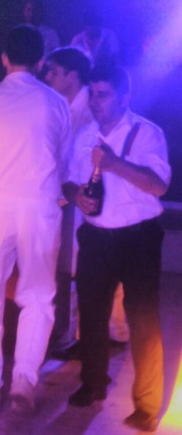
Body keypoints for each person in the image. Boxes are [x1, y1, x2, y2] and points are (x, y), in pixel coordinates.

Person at [0, 25, 70, 414]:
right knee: (38, 297)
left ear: (4, 58)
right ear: (41, 61)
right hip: (41, 207)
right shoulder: (56, 102)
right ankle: (24, 377)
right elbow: (62, 160)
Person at [63, 66, 169, 432]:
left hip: (138, 239)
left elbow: (158, 185)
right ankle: (92, 383)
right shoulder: (84, 134)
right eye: (92, 95)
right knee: (92, 315)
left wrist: (114, 164)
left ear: (125, 97)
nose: (95, 102)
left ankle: (147, 405)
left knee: (143, 322)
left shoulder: (147, 133)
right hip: (95, 236)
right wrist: (76, 195)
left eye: (103, 95)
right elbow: (68, 181)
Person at [44, 47, 128, 359]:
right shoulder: (60, 105)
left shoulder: (91, 111)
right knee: (74, 267)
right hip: (70, 194)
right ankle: (80, 335)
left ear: (72, 76)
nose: (48, 77)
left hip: (97, 197)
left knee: (96, 265)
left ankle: (109, 333)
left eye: (54, 72)